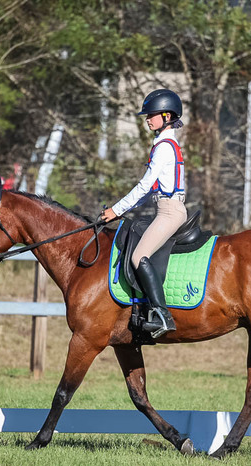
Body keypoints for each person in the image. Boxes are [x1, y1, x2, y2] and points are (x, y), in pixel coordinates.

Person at [101, 89, 187, 337]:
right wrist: (123, 211)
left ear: (167, 116)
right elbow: (150, 191)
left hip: (169, 212)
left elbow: (144, 186)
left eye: (151, 115)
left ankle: (162, 316)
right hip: (166, 208)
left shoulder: (164, 147)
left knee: (139, 256)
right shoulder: (165, 144)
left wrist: (116, 209)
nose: (147, 119)